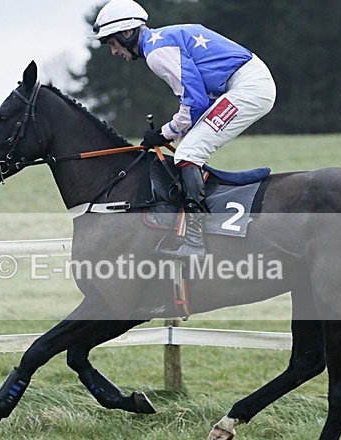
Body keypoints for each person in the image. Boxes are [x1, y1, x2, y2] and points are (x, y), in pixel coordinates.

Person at [92, 0, 276, 259]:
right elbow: (197, 99)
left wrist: (166, 132)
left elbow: (195, 101)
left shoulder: (156, 52)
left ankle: (195, 242)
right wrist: (175, 130)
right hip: (244, 83)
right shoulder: (160, 40)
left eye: (112, 43)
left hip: (249, 87)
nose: (114, 51)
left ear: (126, 33)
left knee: (188, 153)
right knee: (190, 147)